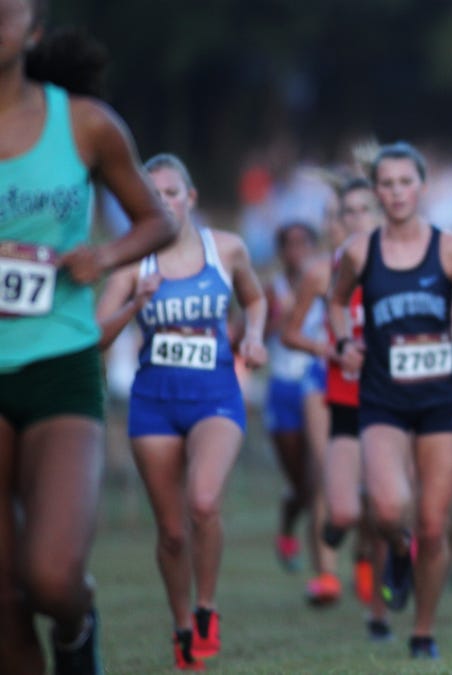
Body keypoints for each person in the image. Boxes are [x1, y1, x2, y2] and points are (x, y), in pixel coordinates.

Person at [0, 3, 177, 672]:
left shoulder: (83, 125)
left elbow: (154, 221)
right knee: (5, 604)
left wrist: (103, 258)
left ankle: (78, 626)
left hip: (59, 364)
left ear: (35, 29)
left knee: (49, 578)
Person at [328, 141, 452, 659]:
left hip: (438, 401)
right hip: (382, 397)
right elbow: (337, 301)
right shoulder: (361, 251)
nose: (396, 192)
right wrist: (343, 343)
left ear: (421, 187)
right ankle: (397, 552)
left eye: (406, 182)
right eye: (386, 184)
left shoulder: (450, 249)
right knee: (387, 507)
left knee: (433, 523)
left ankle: (423, 630)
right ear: (376, 190)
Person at [94, 154, 266, 670]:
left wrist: (253, 338)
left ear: (190, 198)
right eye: (152, 195)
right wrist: (132, 305)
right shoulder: (131, 264)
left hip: (216, 394)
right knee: (171, 531)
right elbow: (96, 336)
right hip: (155, 402)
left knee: (205, 501)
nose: (163, 202)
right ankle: (181, 626)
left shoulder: (226, 249)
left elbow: (255, 301)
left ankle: (207, 605)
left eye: (171, 192)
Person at [281, 177, 392, 638]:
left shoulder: (395, 265)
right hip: (324, 380)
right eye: (346, 212)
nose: (354, 219)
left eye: (365, 210)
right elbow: (289, 333)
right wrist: (327, 350)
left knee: (377, 493)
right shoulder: (319, 272)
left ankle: (368, 558)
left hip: (383, 387)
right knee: (329, 472)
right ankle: (326, 572)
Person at [263, 219, 341, 604]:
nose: (296, 251)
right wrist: (277, 319)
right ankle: (287, 523)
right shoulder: (273, 288)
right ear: (280, 250)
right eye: (288, 244)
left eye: (302, 243)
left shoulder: (326, 279)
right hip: (282, 388)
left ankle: (326, 571)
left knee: (321, 477)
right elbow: (255, 334)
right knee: (302, 485)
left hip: (317, 383)